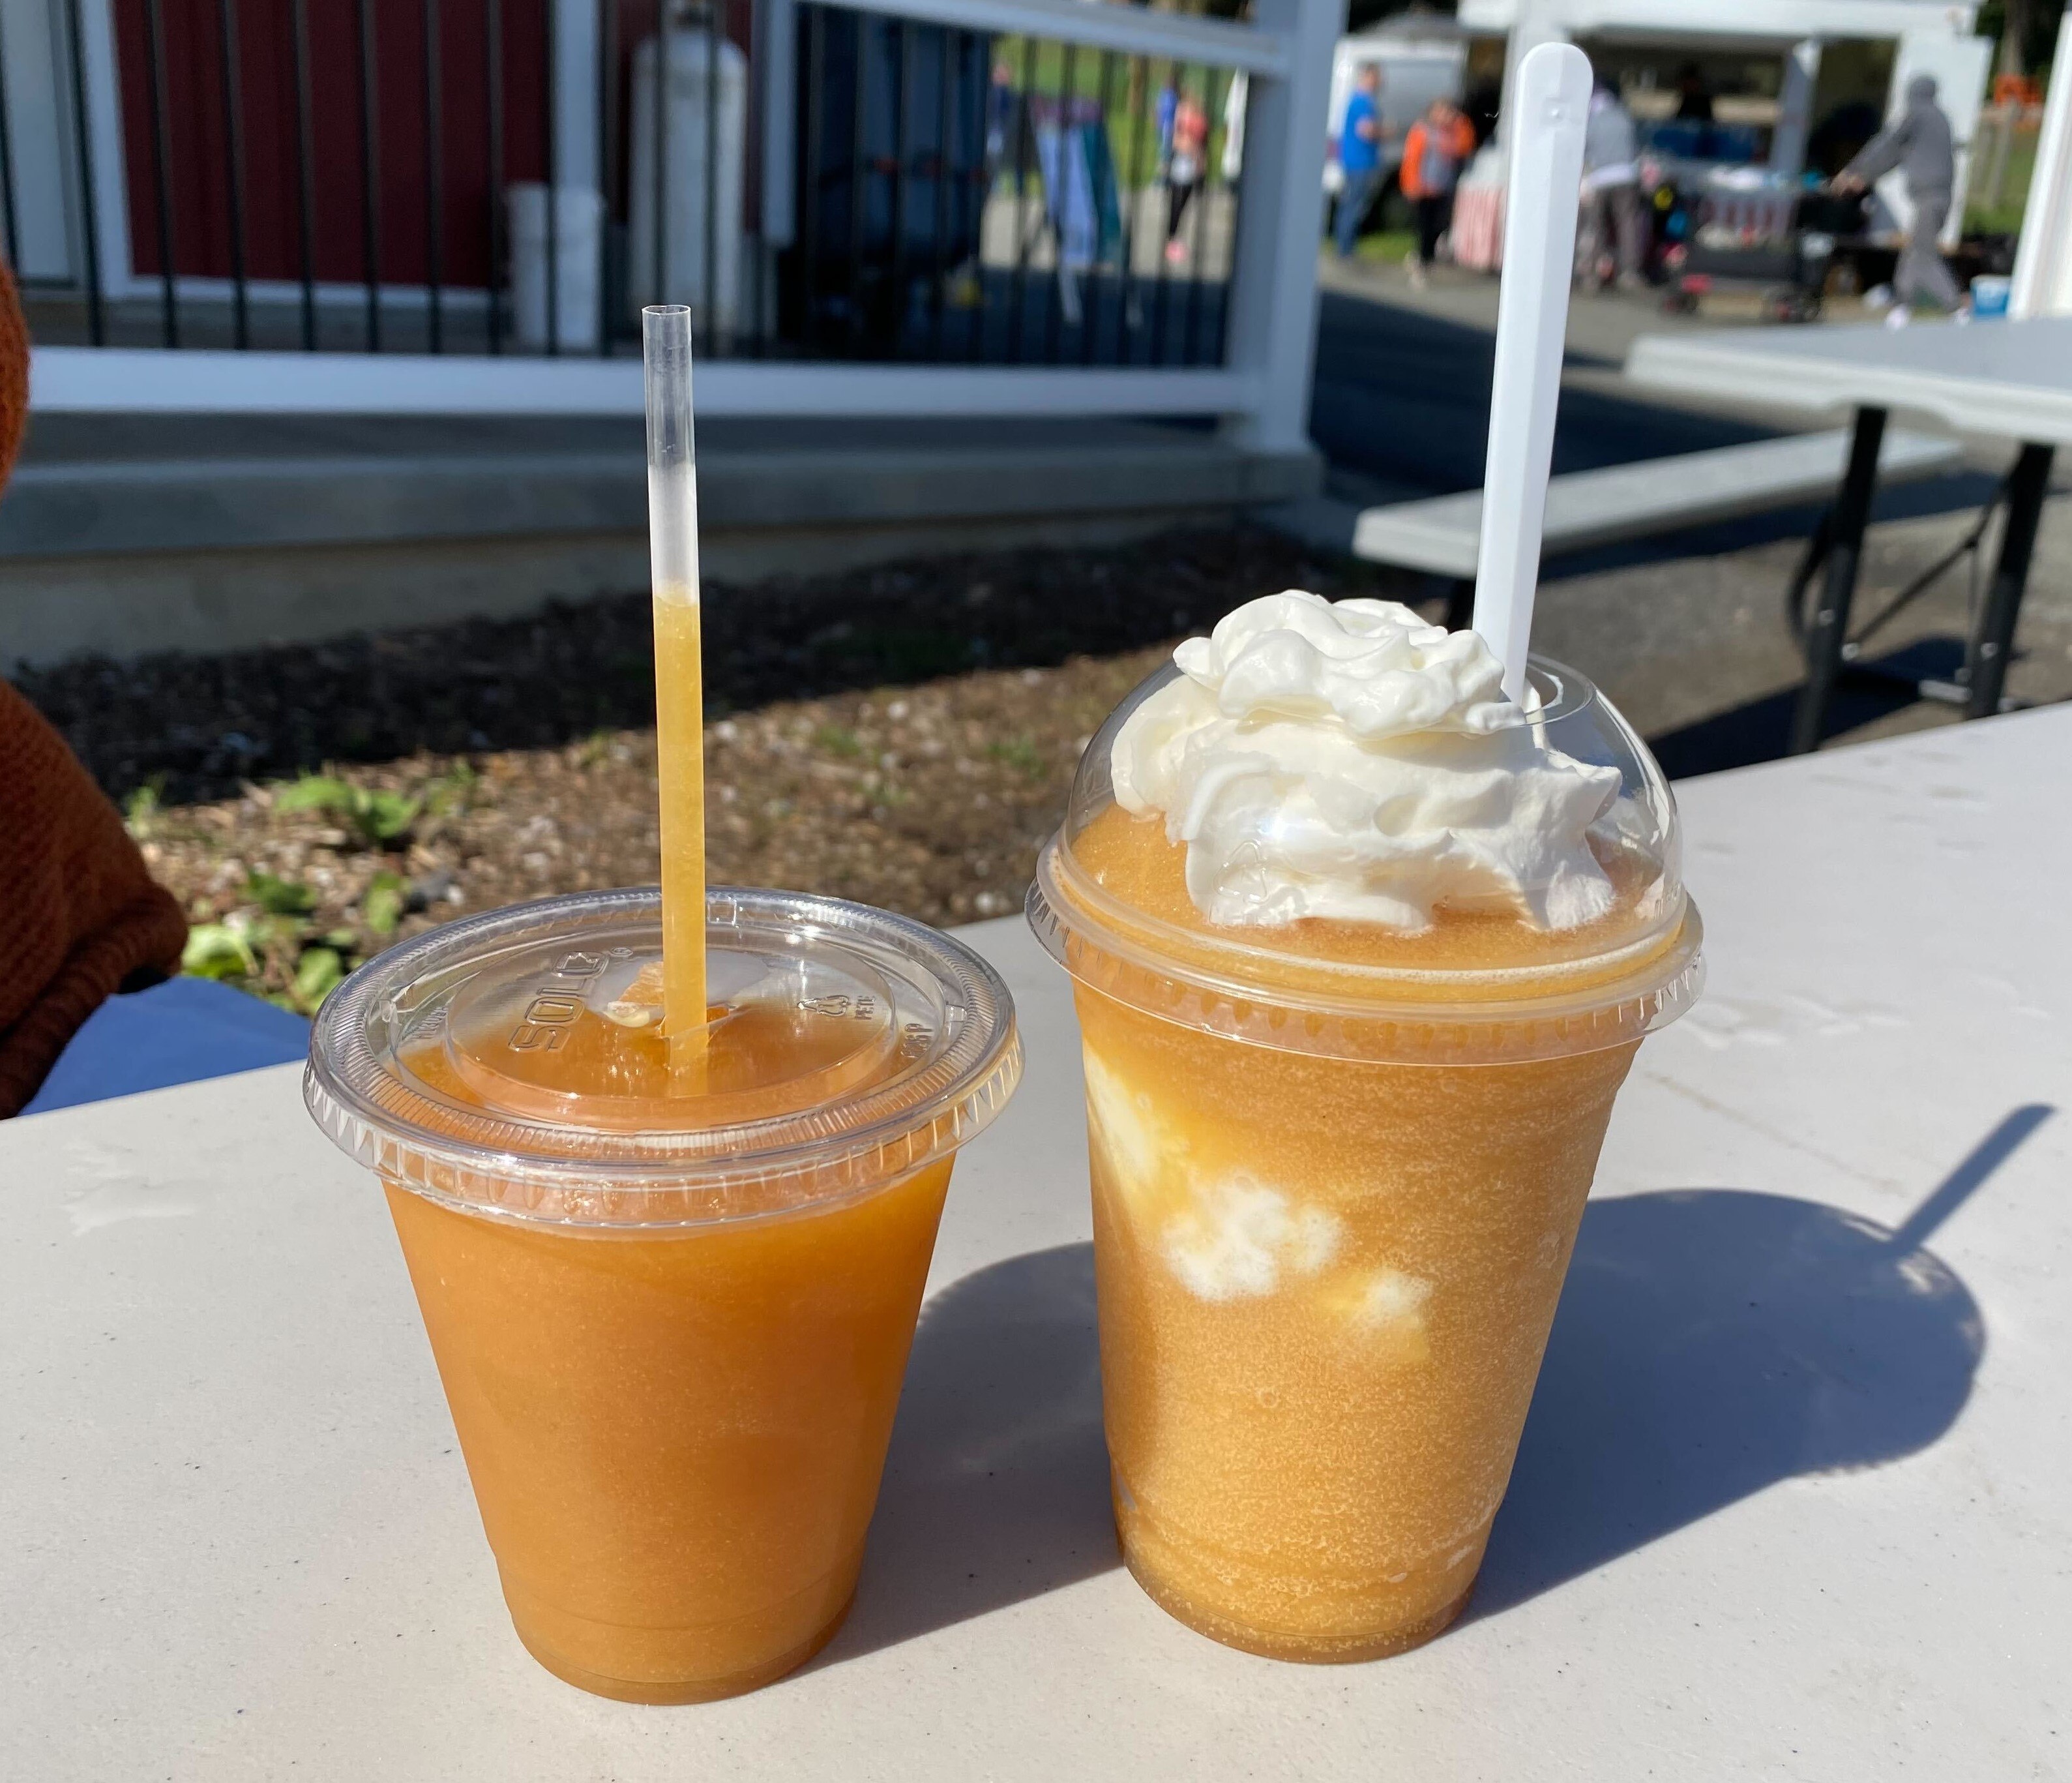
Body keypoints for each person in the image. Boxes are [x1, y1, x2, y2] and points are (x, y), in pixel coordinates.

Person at [1835, 74, 1962, 319]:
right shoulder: (1939, 118)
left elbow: (1888, 144)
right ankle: (1902, 306)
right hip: (1937, 197)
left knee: (1923, 254)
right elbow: (1896, 154)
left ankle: (1956, 307)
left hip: (1930, 197)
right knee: (1913, 252)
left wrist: (1854, 171)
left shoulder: (1919, 115)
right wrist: (1865, 175)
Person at [1400, 97, 1475, 288]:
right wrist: (1411, 183)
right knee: (1425, 228)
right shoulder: (1422, 131)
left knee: (1440, 225)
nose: (1446, 115)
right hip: (1423, 187)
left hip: (1443, 187)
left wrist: (1460, 122)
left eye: (1448, 112)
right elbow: (1411, 159)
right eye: (1442, 111)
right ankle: (1422, 264)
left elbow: (1466, 146)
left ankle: (1425, 258)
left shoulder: (1454, 132)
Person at [1579, 79, 1644, 290]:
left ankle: (1591, 275)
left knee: (1596, 227)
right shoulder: (1623, 116)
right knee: (1627, 225)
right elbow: (1635, 146)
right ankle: (1629, 273)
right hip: (1627, 175)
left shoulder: (1592, 120)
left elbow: (1584, 149)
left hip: (1600, 178)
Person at [1333, 64, 1385, 260]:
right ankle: (1345, 249)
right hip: (1360, 161)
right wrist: (1386, 131)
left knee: (1350, 204)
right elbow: (1366, 130)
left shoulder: (1358, 100)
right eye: (1377, 77)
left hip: (1355, 160)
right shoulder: (1363, 102)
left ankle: (1345, 247)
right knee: (1353, 206)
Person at [1164, 90, 1207, 265]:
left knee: (1183, 208)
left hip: (1191, 171)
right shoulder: (1180, 124)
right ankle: (1171, 241)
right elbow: (1177, 143)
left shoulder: (1196, 123)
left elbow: (1200, 149)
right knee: (1176, 207)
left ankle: (1174, 240)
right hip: (1180, 171)